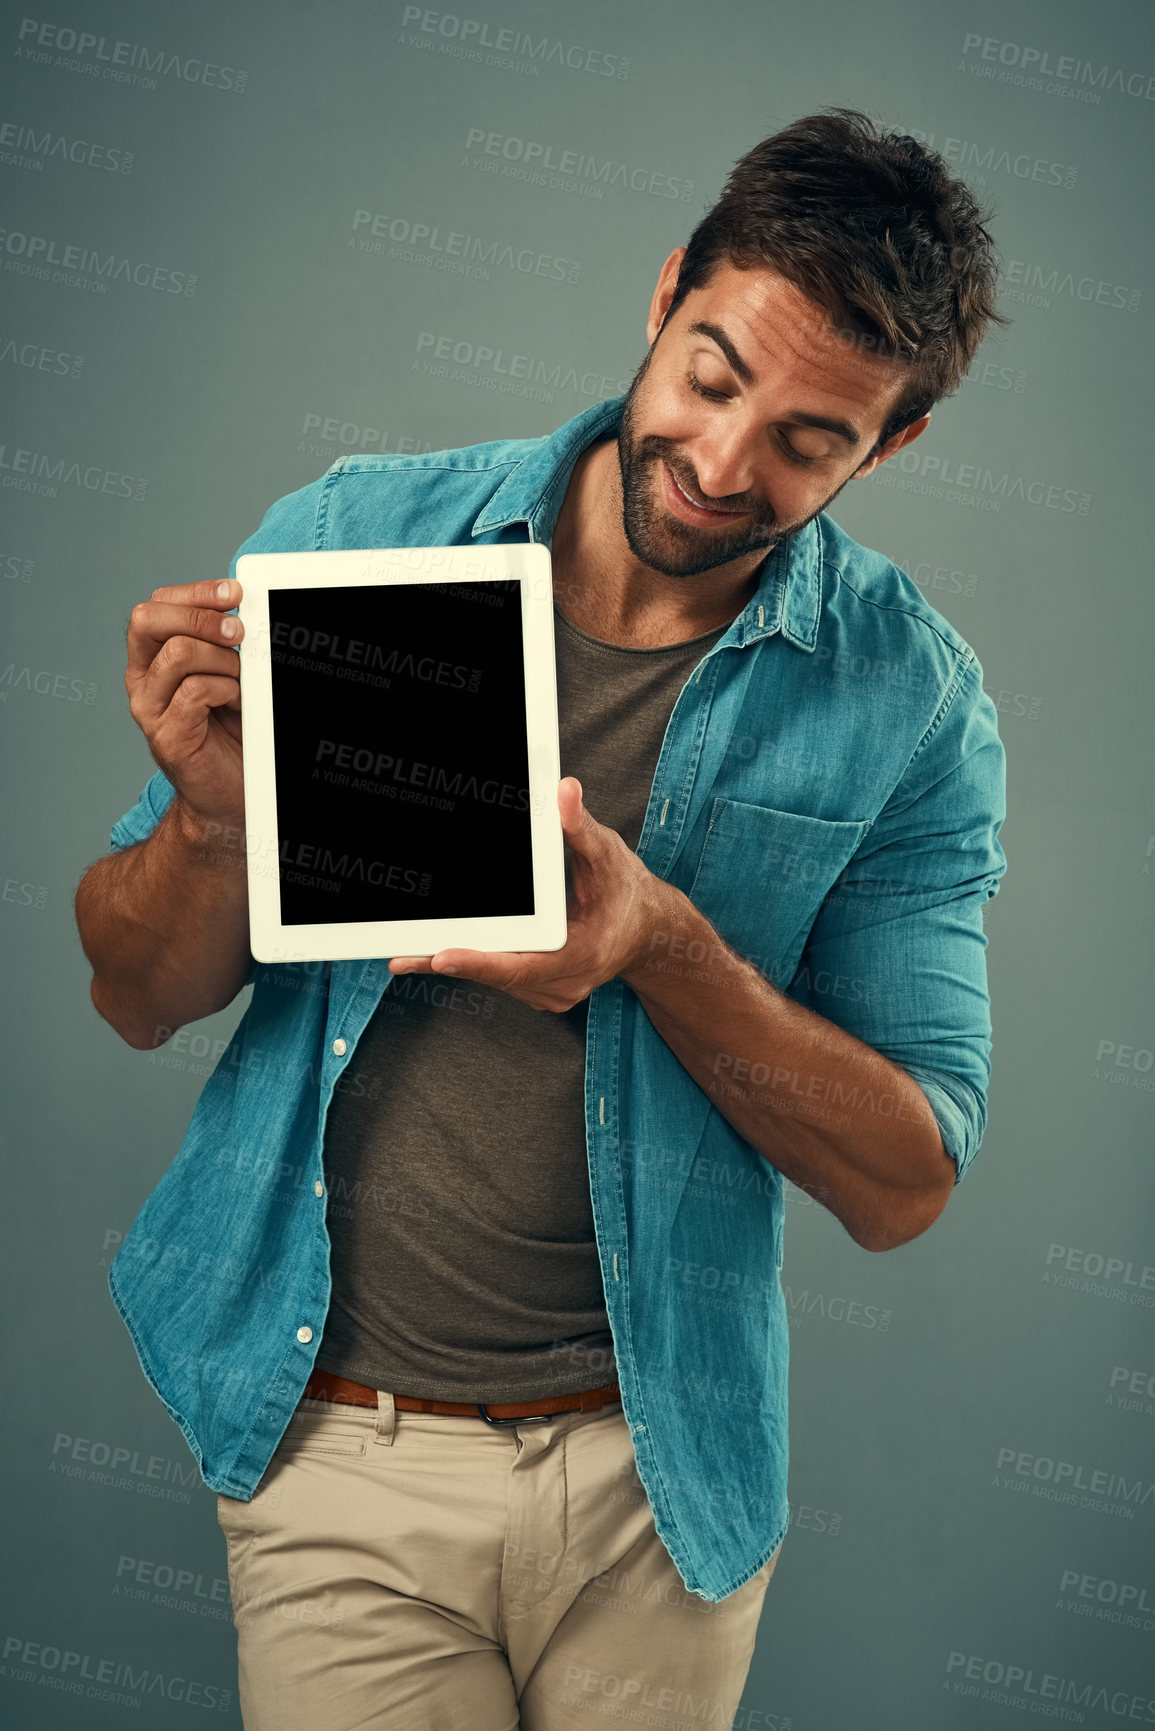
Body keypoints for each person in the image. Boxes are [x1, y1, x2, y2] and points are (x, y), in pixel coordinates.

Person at [75, 107, 1008, 1729]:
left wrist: (661, 947)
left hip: (661, 1483)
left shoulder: (909, 706)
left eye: (810, 439)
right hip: (334, 1448)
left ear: (893, 446)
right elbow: (138, 993)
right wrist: (220, 822)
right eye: (715, 376)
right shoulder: (357, 542)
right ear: (663, 298)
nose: (724, 468)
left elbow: (905, 1179)